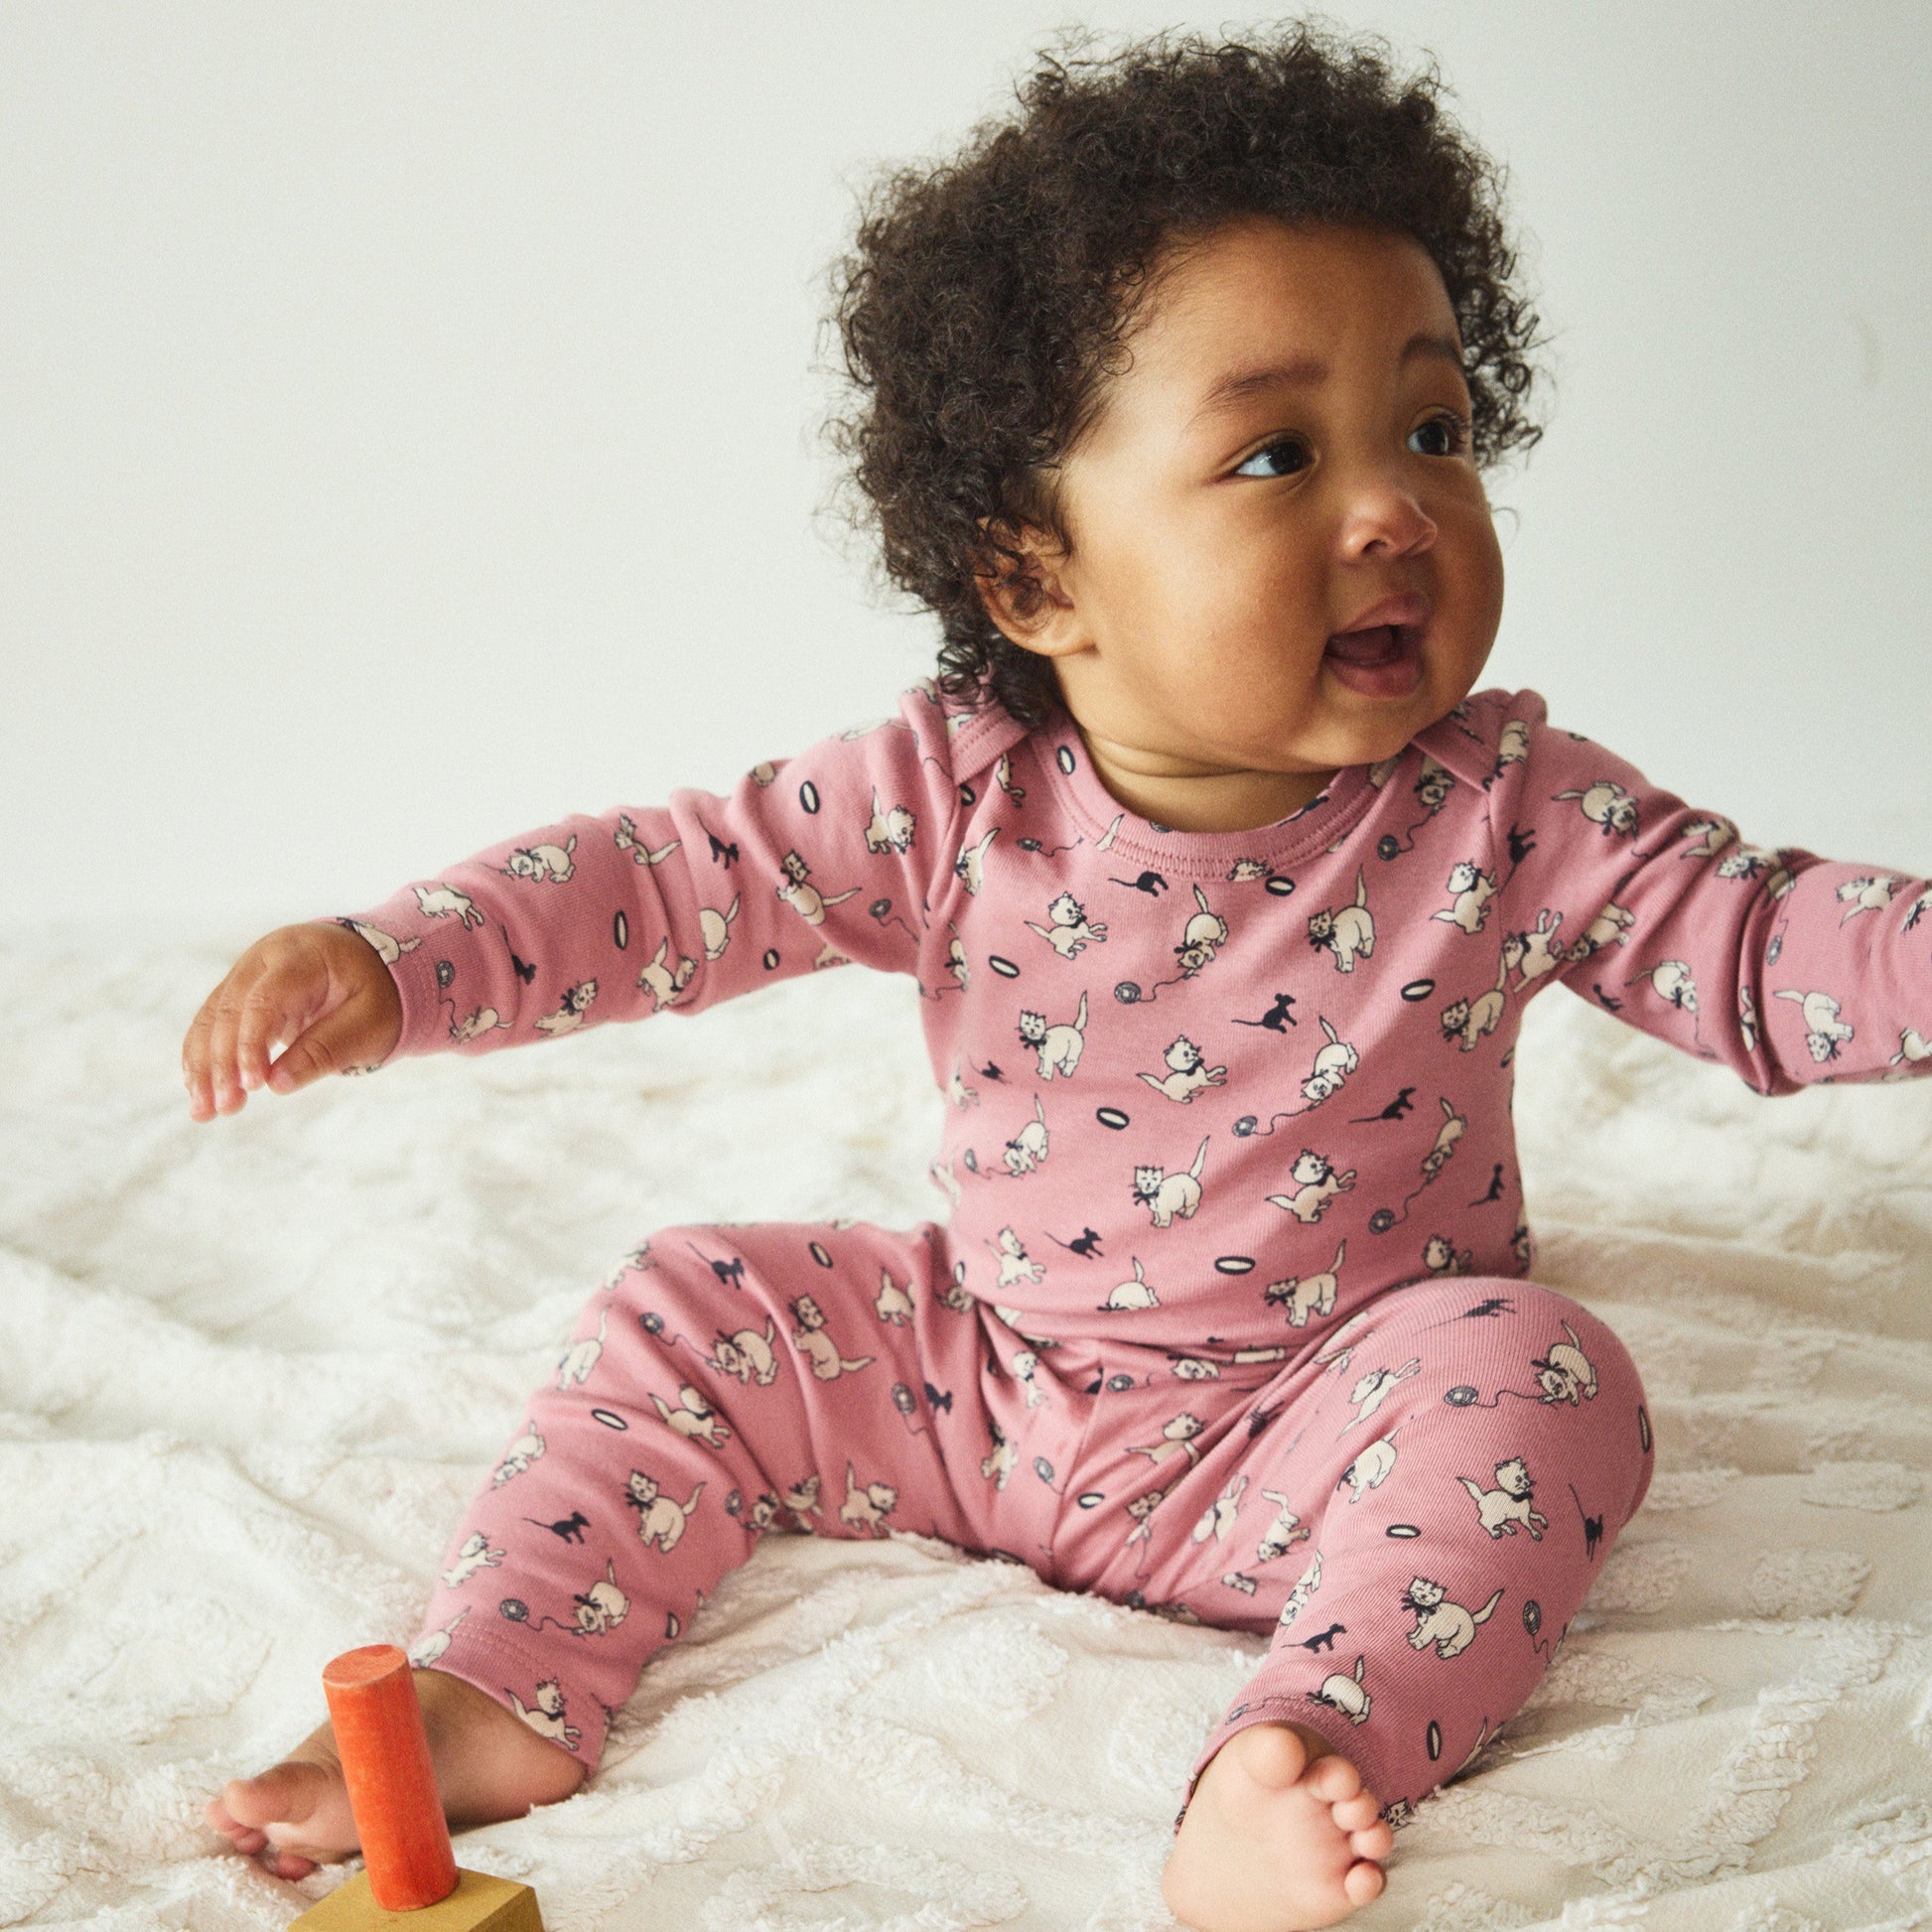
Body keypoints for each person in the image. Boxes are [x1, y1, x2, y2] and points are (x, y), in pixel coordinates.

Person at [190, 24, 1930, 1931]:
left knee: (1543, 1379)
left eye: (1431, 430)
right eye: (1277, 452)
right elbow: (670, 881)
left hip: (1333, 1413)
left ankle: (1305, 1748)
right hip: (993, 1383)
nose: (1393, 507)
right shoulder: (949, 792)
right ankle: (493, 1689)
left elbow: (1763, 942)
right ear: (1036, 581)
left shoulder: (1502, 806)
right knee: (695, 1300)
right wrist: (399, 955)